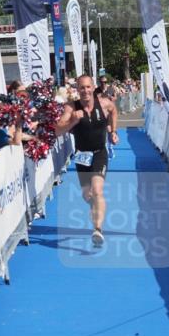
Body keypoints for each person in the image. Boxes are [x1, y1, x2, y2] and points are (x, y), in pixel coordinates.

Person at [55, 74, 119, 247]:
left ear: (93, 87)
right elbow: (57, 130)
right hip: (82, 155)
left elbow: (113, 110)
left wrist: (113, 131)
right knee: (87, 195)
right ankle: (95, 205)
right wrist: (72, 121)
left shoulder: (103, 103)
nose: (85, 91)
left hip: (99, 153)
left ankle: (97, 229)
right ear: (77, 89)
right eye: (81, 87)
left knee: (97, 190)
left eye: (88, 87)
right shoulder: (71, 107)